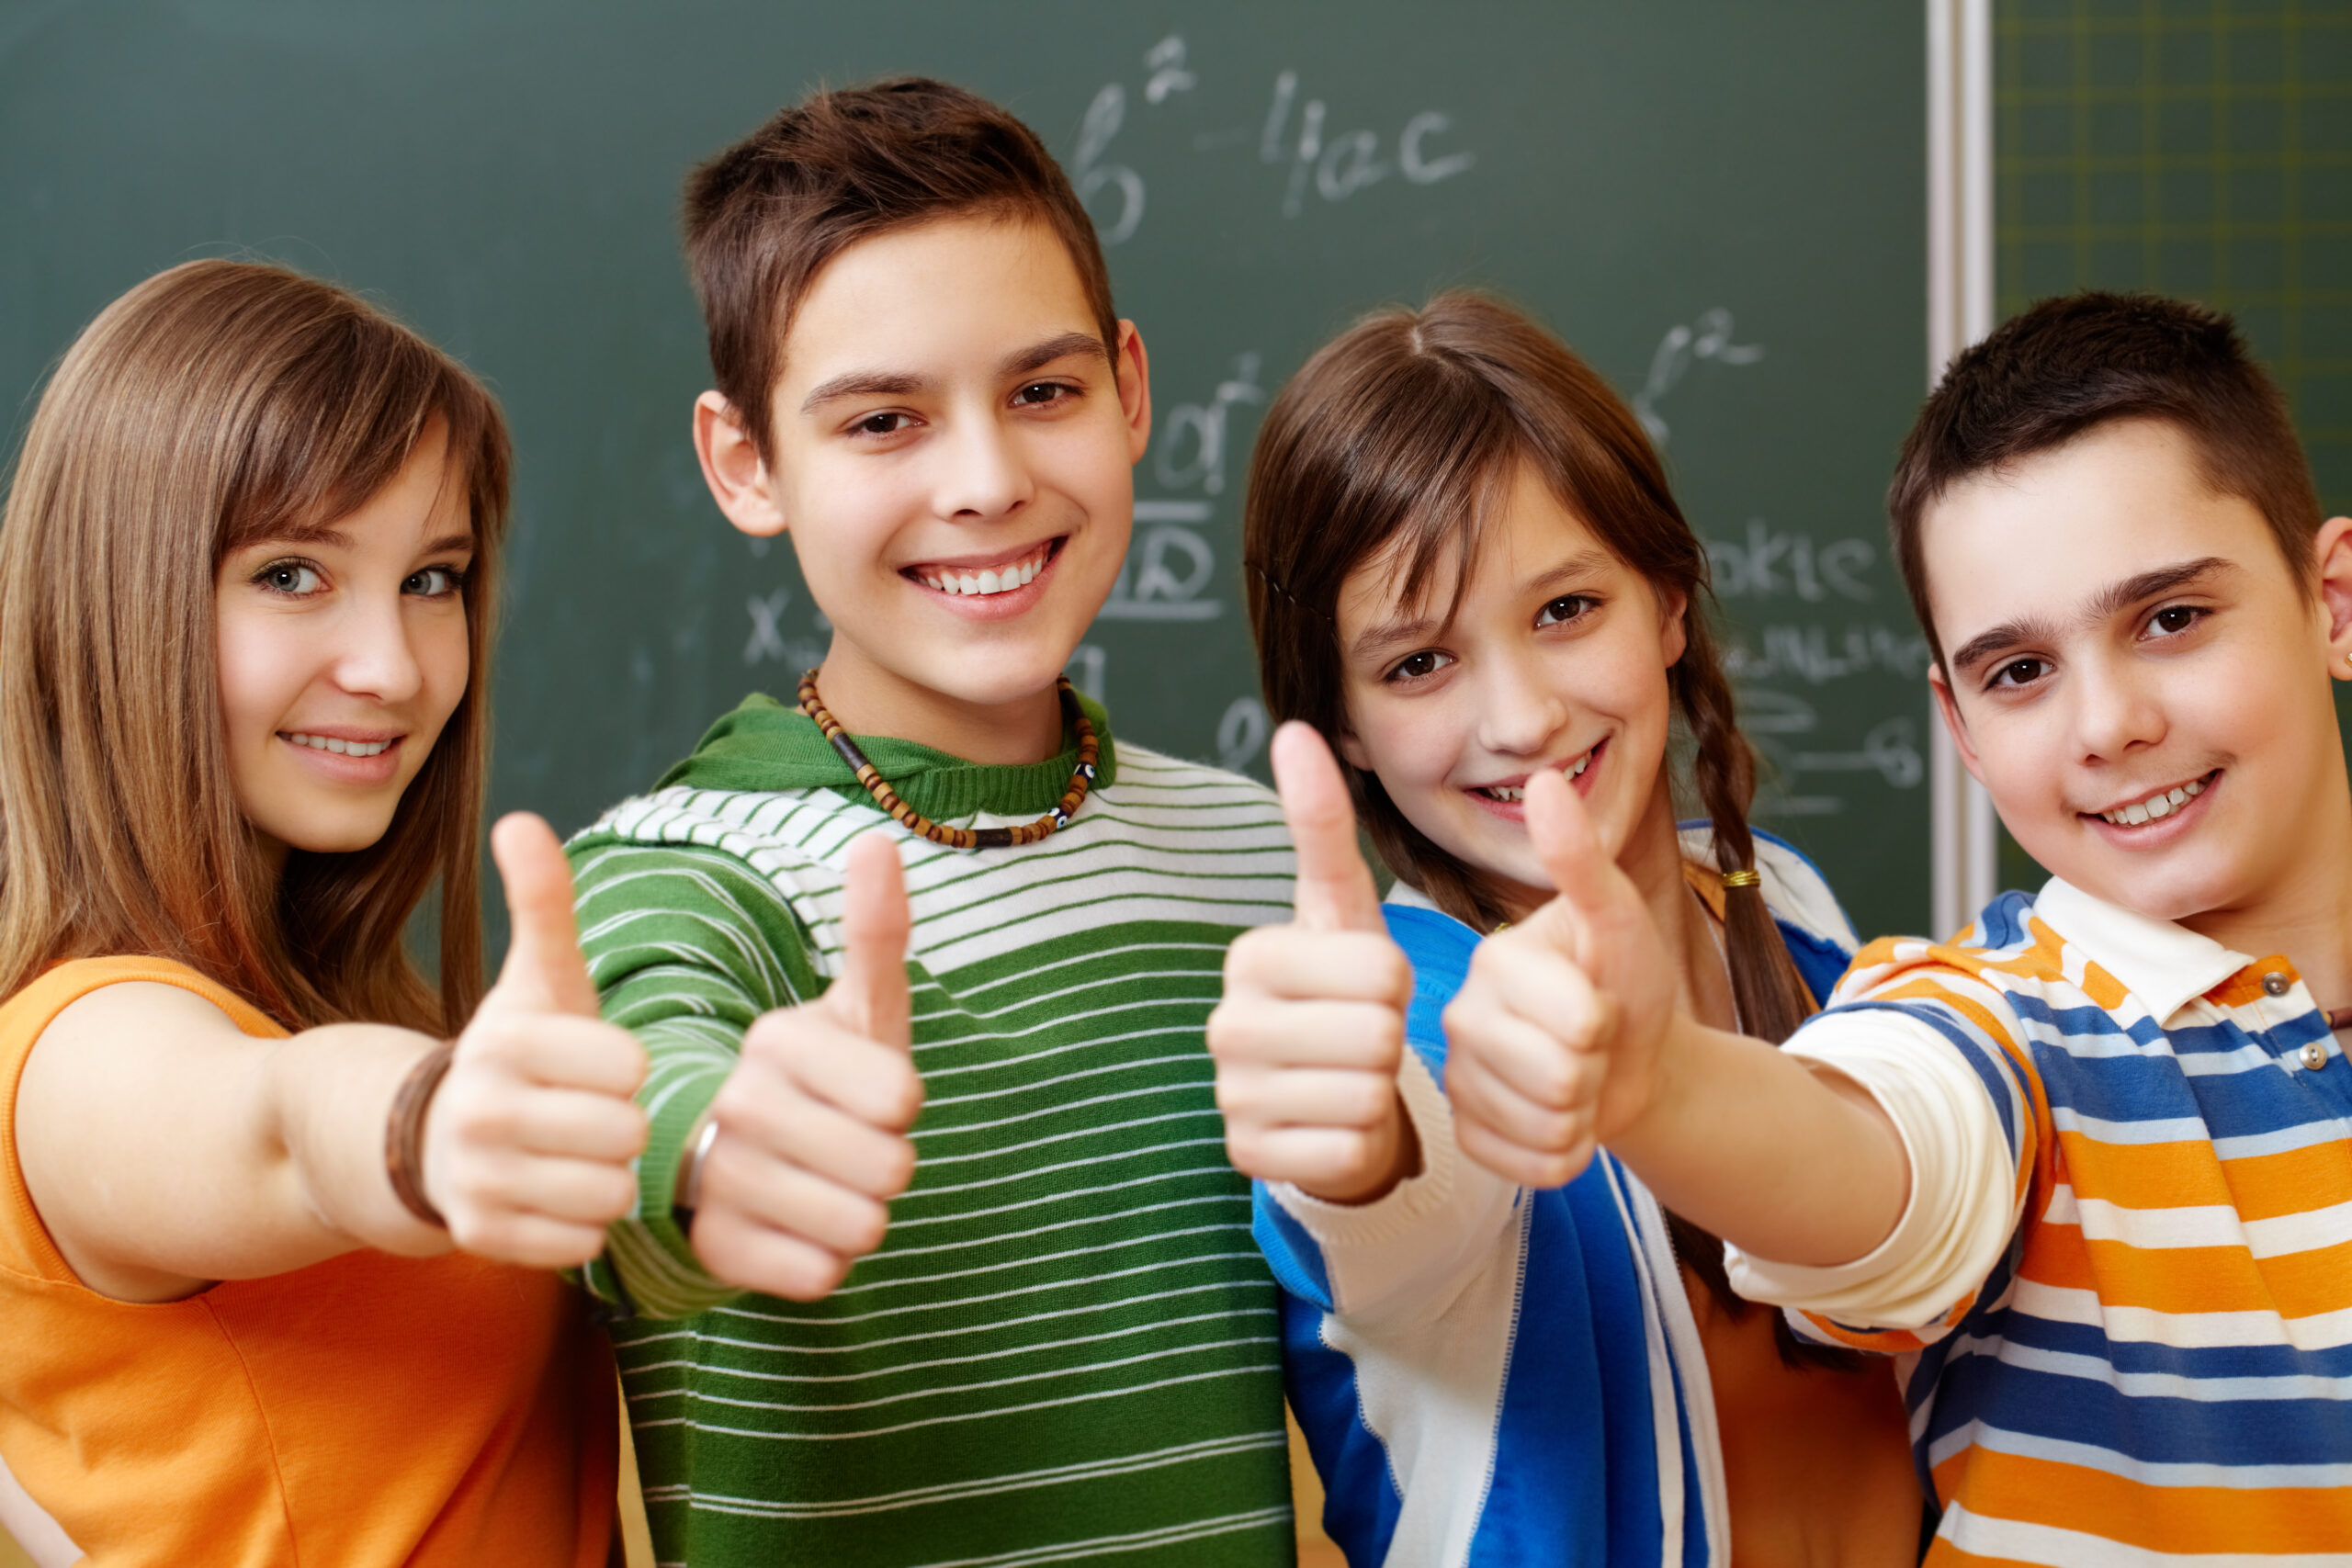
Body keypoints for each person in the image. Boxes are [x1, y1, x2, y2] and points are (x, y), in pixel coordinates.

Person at [1446, 289, 2352, 1563]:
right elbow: (1884, 1156)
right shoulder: (2005, 1029)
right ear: (1961, 726)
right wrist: (1664, 1085)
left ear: (2335, 605)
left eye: (2172, 619)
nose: (2106, 725)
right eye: (2020, 671)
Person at [563, 79, 1299, 1564]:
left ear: (1132, 387)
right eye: (884, 420)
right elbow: (640, 1122)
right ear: (746, 463)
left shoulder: (1268, 859)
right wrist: (716, 1153)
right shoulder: (686, 878)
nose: (986, 482)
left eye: (1044, 392)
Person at [1210, 290, 1924, 1567]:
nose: (1524, 718)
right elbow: (1396, 1205)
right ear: (1349, 732)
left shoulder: (1794, 912)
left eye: (1563, 611)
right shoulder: (1414, 1020)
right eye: (1418, 663)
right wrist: (1350, 1151)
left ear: (1665, 601)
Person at [0, 258, 650, 1567]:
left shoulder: (347, 999)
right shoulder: (78, 1047)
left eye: (432, 579)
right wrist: (433, 1124)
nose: (393, 667)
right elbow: (284, 1129)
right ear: (119, 599)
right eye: (293, 575)